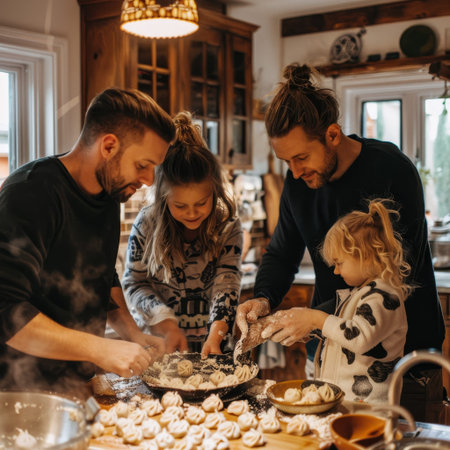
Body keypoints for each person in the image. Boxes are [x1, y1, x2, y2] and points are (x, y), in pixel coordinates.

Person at [236, 64, 445, 421]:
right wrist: (264, 296)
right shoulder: (297, 184)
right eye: (287, 162)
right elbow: (282, 252)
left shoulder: (392, 169)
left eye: (301, 157)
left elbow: (396, 272)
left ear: (332, 135)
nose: (296, 171)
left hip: (399, 359)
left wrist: (315, 319)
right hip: (331, 355)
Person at [0, 88, 175, 396]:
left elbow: (100, 278)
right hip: (20, 391)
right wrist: (99, 348)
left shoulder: (109, 196)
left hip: (77, 385)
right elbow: (6, 312)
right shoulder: (30, 194)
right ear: (109, 145)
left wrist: (132, 334)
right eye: (142, 165)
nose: (149, 179)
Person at [263, 199, 412, 403]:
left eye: (339, 262)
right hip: (346, 403)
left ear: (365, 256)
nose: (336, 271)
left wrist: (316, 319)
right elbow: (345, 333)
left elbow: (359, 338)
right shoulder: (362, 293)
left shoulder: (383, 296)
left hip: (370, 410)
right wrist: (312, 330)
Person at [122, 111, 242, 357]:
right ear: (164, 200)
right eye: (180, 206)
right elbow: (134, 283)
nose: (191, 213)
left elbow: (226, 284)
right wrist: (166, 324)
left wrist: (216, 334)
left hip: (215, 346)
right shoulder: (147, 223)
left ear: (214, 191)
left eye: (201, 203)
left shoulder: (227, 224)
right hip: (160, 347)